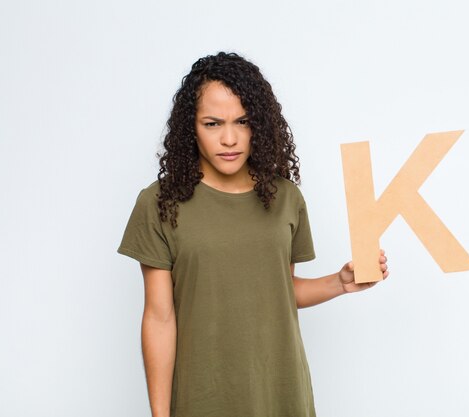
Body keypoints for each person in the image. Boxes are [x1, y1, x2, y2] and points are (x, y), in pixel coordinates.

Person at [117, 51, 389, 417]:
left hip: (282, 392)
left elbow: (280, 290)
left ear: (259, 124)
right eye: (212, 124)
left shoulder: (284, 197)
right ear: (190, 127)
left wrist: (339, 283)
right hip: (203, 398)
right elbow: (159, 318)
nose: (229, 139)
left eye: (242, 121)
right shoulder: (160, 203)